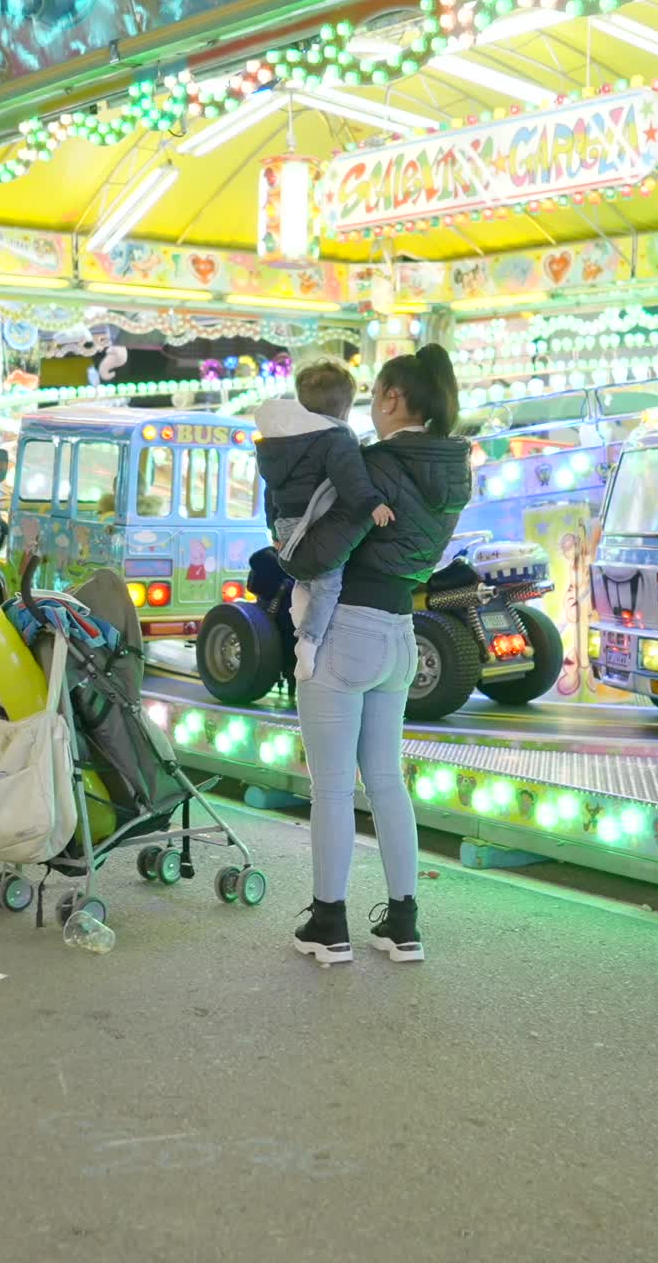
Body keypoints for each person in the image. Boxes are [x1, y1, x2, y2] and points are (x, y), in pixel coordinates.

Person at [282, 344, 472, 965]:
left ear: (392, 398)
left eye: (375, 398)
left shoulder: (370, 467)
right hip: (399, 631)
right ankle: (403, 922)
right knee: (387, 780)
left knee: (332, 787)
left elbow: (317, 553)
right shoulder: (451, 472)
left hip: (347, 631)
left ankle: (329, 923)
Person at [254, 360, 394, 680]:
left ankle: (299, 613)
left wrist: (272, 526)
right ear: (345, 406)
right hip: (316, 522)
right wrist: (373, 504)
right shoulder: (336, 437)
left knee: (307, 578)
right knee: (329, 584)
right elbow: (351, 478)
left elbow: (270, 488)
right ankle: (309, 643)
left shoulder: (279, 441)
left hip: (287, 524)